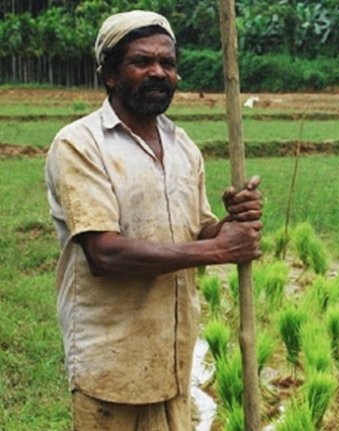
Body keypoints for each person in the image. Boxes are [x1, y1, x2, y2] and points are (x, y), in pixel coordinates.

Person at [44, 10, 262, 430]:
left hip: (172, 362)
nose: (158, 72)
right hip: (111, 363)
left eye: (168, 63)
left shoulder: (183, 147)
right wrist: (218, 249)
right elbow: (104, 254)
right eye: (142, 62)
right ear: (109, 74)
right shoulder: (80, 145)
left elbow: (199, 232)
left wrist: (233, 223)